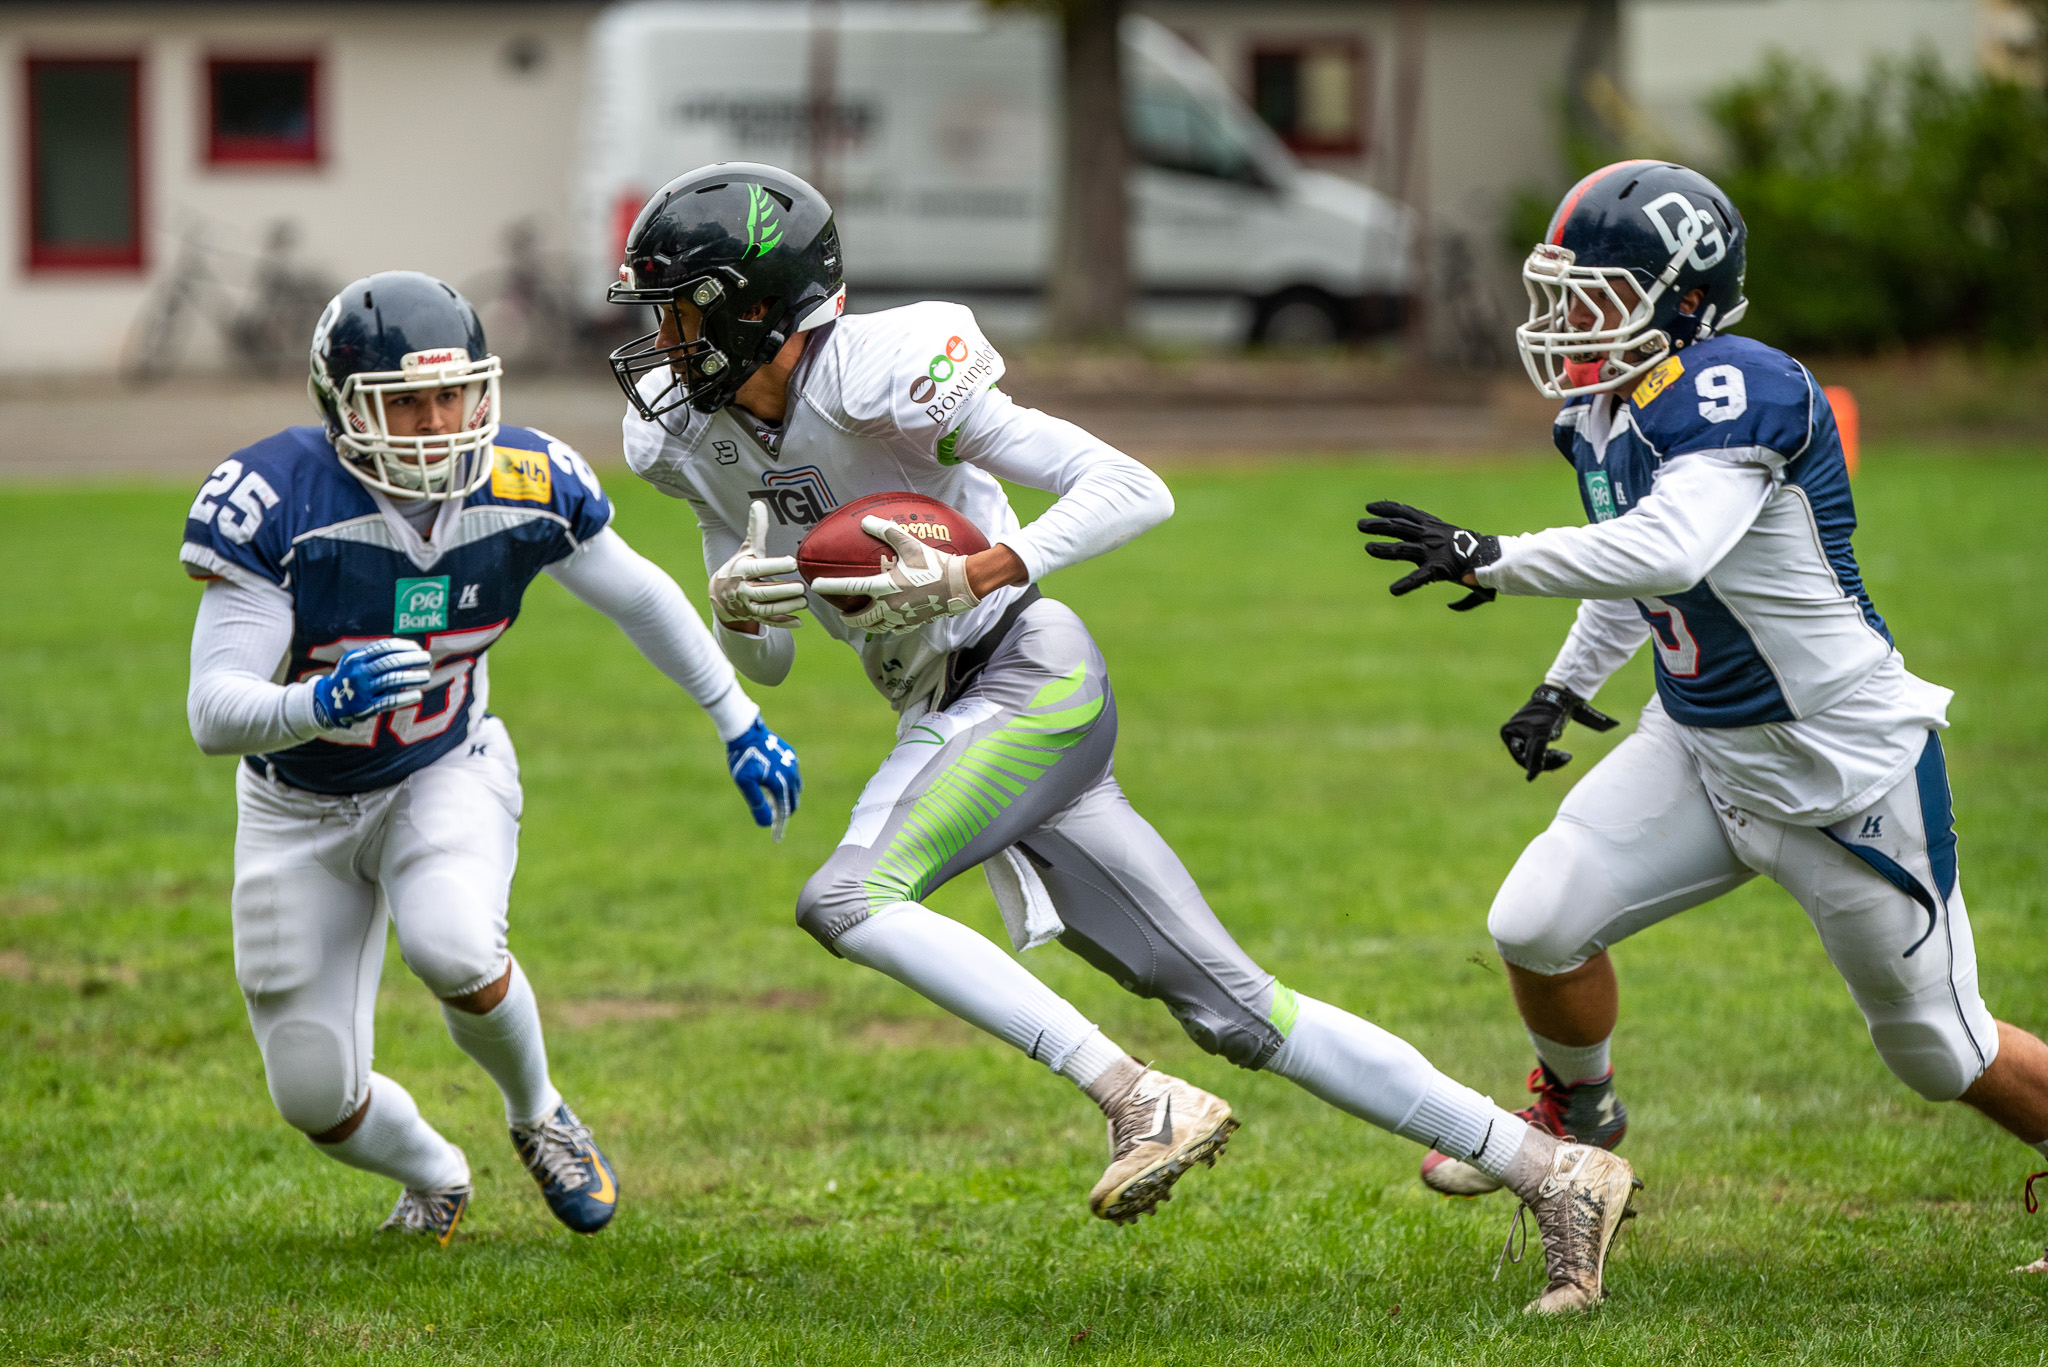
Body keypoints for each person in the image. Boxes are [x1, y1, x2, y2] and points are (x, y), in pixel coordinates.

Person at [606, 162, 1638, 1313]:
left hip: (1022, 665)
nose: (664, 339)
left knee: (849, 899)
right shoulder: (684, 438)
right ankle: (1554, 1169)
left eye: (684, 308)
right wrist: (739, 609)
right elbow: (768, 658)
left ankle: (1133, 1095)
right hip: (950, 708)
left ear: (762, 304)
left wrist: (986, 560)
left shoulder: (879, 372)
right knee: (1242, 1012)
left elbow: (1128, 484)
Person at [1358, 160, 2048, 1270]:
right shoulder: (1599, 412)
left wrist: (1489, 556)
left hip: (1839, 767)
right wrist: (1563, 685)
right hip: (1698, 745)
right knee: (1533, 918)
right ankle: (1580, 1123)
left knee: (1936, 1047)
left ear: (1677, 297)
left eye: (1590, 293)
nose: (1565, 318)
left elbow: (1673, 544)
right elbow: (1643, 582)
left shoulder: (1739, 386)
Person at [181, 271, 801, 1245]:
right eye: (407, 401)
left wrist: (737, 717)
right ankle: (435, 1172)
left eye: (454, 393)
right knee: (315, 1093)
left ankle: (539, 1111)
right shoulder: (281, 500)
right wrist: (317, 701)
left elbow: (638, 595)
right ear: (343, 406)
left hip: (444, 760)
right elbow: (214, 711)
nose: (437, 422)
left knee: (454, 942)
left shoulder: (523, 480)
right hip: (295, 804)